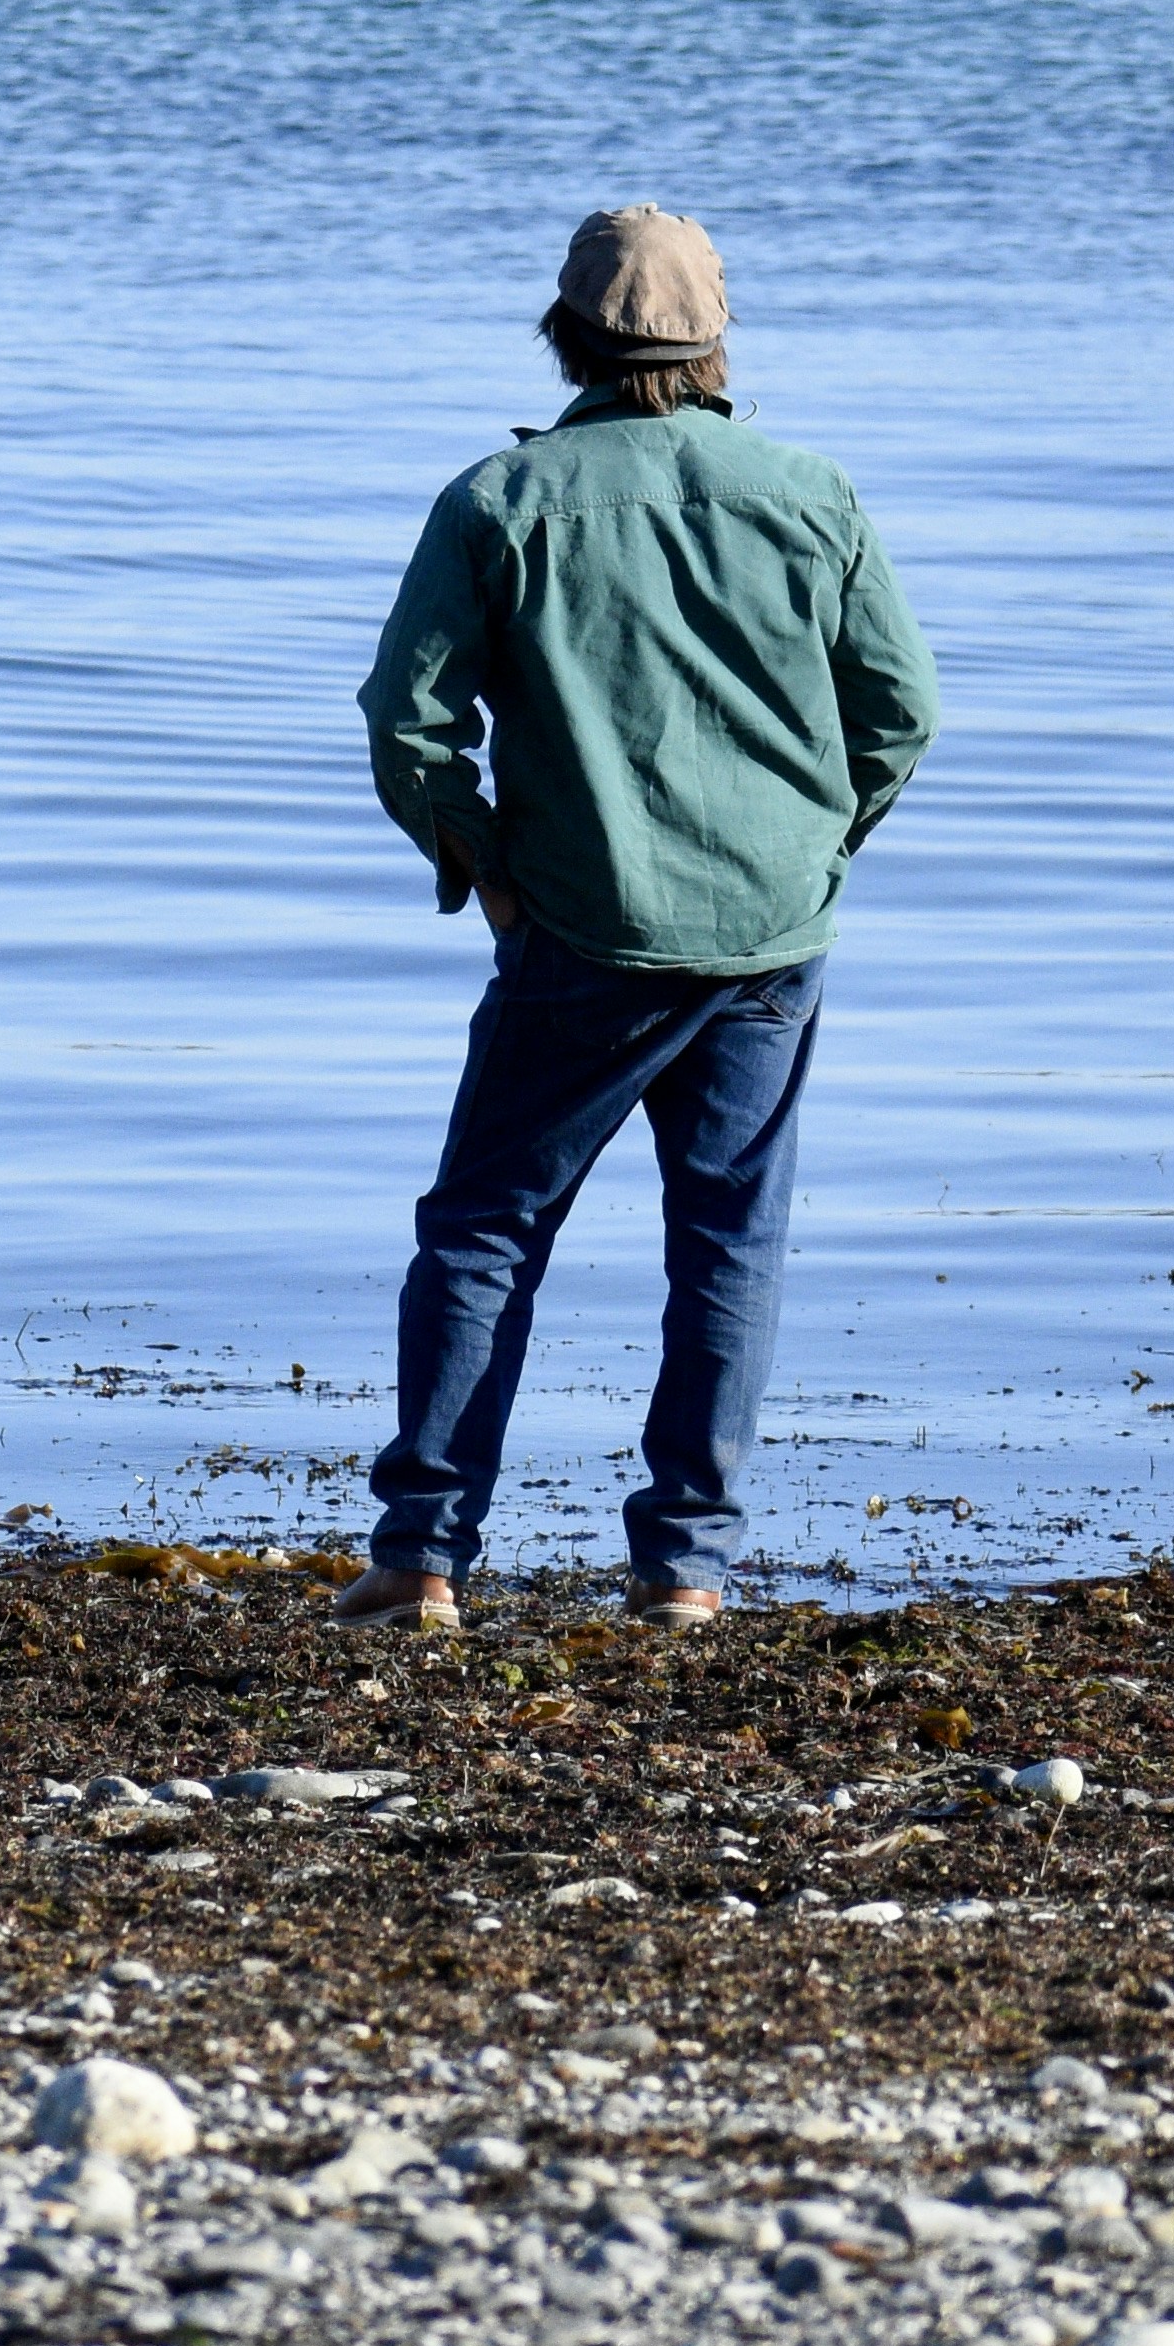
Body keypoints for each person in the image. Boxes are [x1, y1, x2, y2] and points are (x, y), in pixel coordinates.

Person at [344, 209, 937, 1631]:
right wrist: (815, 848)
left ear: (567, 337)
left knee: (485, 1230)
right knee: (728, 1244)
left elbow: (406, 724)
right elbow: (902, 715)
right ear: (717, 344)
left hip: (575, 929)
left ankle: (423, 1555)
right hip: (768, 939)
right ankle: (685, 1570)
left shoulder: (499, 500)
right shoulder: (814, 495)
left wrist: (482, 865)